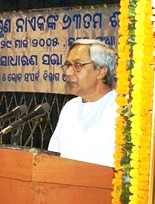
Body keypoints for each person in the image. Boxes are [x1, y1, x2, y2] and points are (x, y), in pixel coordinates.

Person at [48, 39, 118, 167]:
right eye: (68, 65)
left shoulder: (120, 110)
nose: (68, 73)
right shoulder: (70, 108)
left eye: (77, 66)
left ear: (101, 71)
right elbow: (53, 156)